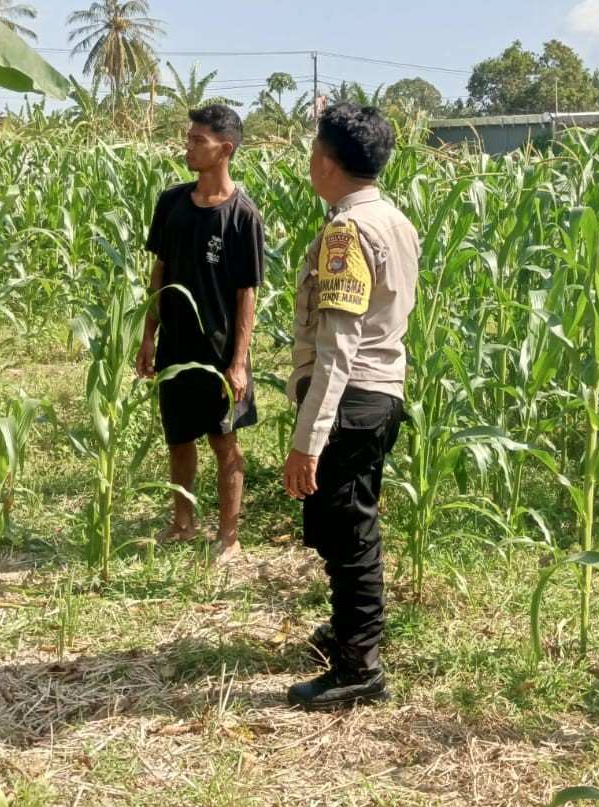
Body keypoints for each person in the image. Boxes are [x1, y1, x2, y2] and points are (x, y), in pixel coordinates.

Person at [281, 103, 419, 710]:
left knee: (351, 532)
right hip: (380, 393)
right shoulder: (395, 220)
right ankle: (345, 635)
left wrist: (307, 439)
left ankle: (359, 668)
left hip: (350, 397)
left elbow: (338, 347)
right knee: (345, 526)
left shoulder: (346, 233)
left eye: (315, 149)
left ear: (328, 163)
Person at [137, 104, 264, 564]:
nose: (187, 147)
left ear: (225, 149)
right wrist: (148, 336)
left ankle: (229, 538)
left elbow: (246, 293)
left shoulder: (243, 216)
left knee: (223, 441)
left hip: (220, 350)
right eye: (188, 138)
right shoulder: (171, 203)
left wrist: (238, 362)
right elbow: (160, 272)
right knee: (179, 436)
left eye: (198, 141)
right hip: (175, 343)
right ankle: (183, 523)